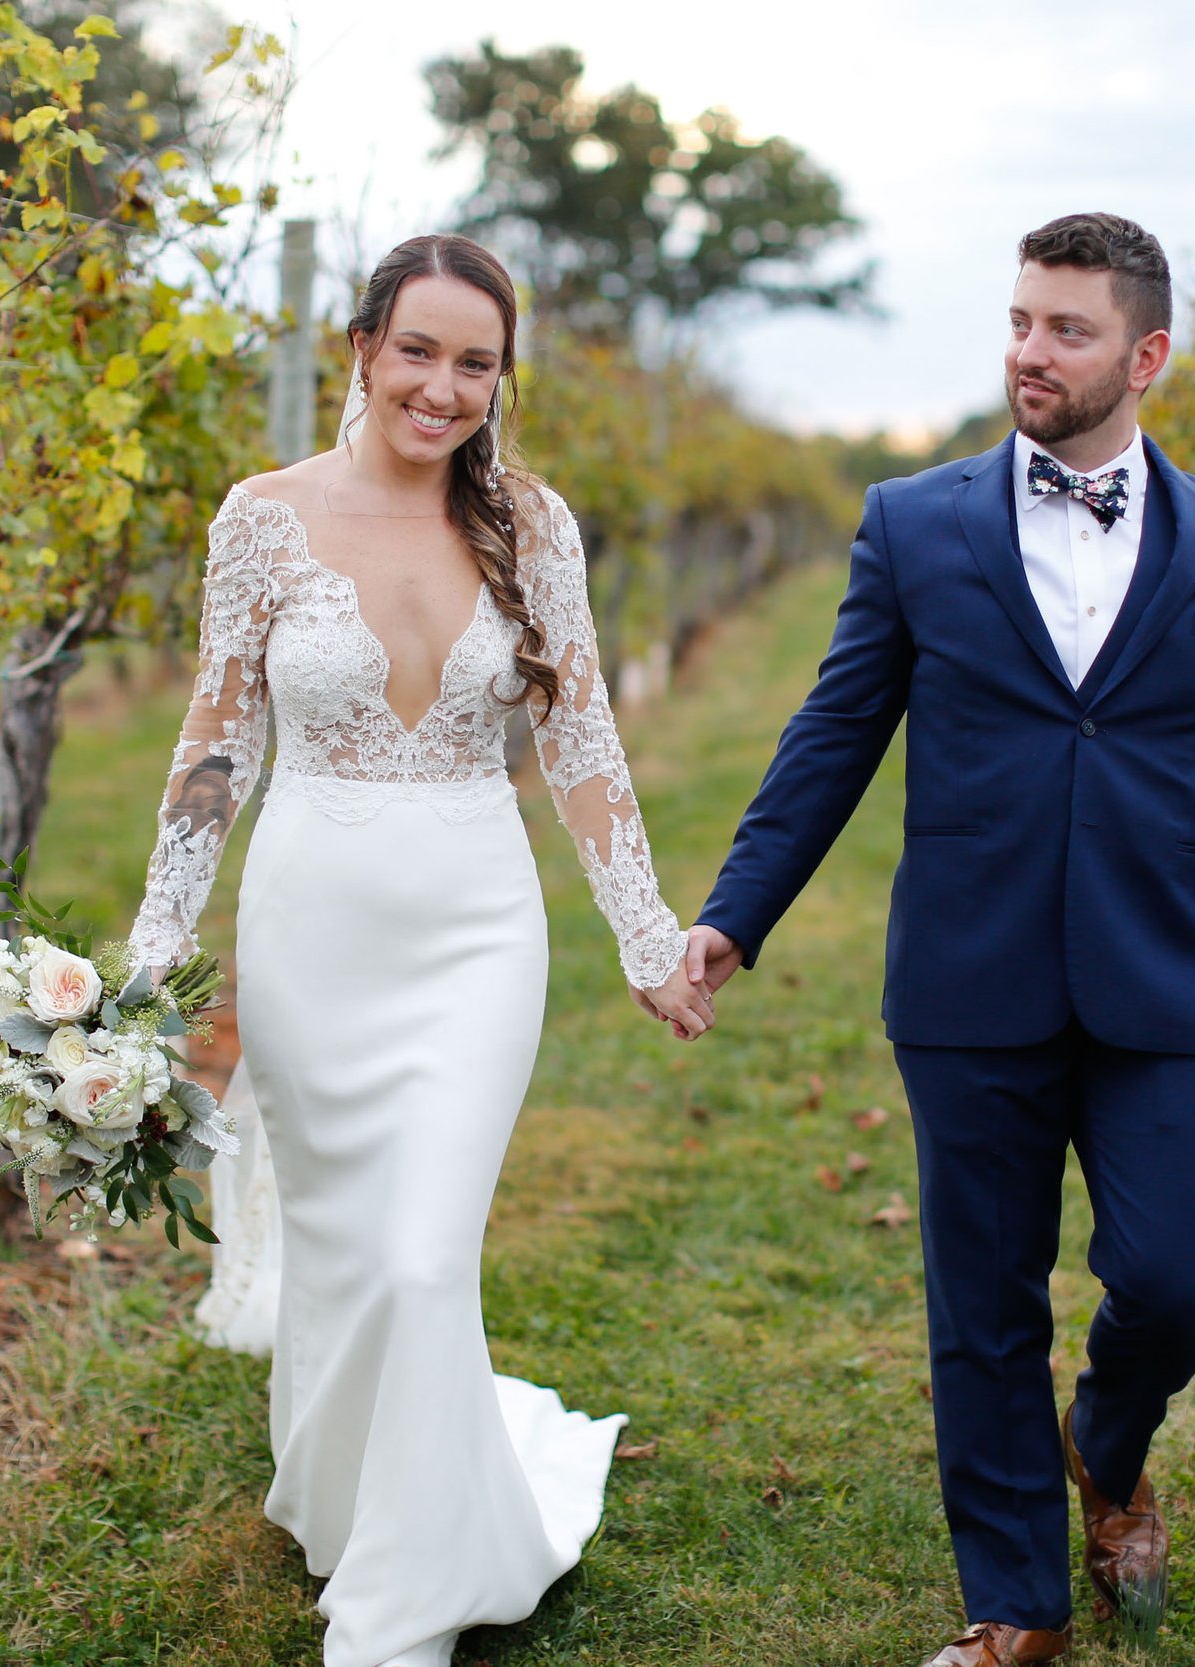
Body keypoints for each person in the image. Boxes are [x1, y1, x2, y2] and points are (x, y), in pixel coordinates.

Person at [683, 212, 1195, 1666]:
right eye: (1020, 321)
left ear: (1147, 355)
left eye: (1066, 329)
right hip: (970, 974)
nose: (1027, 353)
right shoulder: (916, 523)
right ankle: (1015, 1608)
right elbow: (836, 732)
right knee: (982, 1306)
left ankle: (1106, 1441)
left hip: (1160, 974)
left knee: (1174, 1280)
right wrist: (738, 911)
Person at [125, 232, 712, 1667]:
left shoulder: (536, 525)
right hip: (313, 920)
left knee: (427, 1257)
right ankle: (347, 1505)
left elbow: (580, 742)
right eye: (419, 351)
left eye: (475, 363)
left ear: (499, 379)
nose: (442, 388)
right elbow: (216, 747)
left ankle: (397, 1614)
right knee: (342, 1251)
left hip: (474, 927)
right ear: (362, 350)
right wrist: (154, 943)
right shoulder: (262, 520)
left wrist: (644, 929)